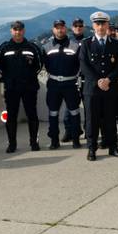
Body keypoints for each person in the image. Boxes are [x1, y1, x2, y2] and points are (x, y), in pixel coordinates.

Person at [79, 11, 118, 161]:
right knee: (92, 120)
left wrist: (108, 80)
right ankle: (92, 149)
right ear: (93, 26)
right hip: (92, 89)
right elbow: (84, 66)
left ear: (107, 25)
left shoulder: (115, 43)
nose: (100, 26)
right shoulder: (86, 43)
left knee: (111, 119)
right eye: (97, 24)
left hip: (110, 88)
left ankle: (113, 147)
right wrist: (99, 80)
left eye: (103, 23)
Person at [0, 21, 43, 153]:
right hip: (11, 88)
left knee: (32, 115)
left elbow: (39, 65)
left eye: (20, 29)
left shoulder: (32, 47)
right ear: (11, 31)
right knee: (11, 116)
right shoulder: (4, 48)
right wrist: (9, 78)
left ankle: (34, 142)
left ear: (24, 31)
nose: (18, 32)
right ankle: (12, 144)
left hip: (30, 87)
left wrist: (29, 76)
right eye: (15, 30)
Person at [41, 19, 82, 149]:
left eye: (62, 27)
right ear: (53, 29)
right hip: (53, 85)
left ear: (66, 29)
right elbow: (45, 64)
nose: (60, 30)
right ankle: (54, 141)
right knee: (53, 113)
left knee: (74, 112)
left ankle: (76, 140)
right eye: (57, 27)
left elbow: (80, 64)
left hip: (71, 84)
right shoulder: (46, 47)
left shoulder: (75, 45)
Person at [61, 17, 86, 143]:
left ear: (84, 27)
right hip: (72, 80)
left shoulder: (88, 41)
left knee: (88, 109)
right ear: (72, 27)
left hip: (86, 79)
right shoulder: (68, 42)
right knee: (69, 110)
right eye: (76, 25)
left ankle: (88, 132)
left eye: (80, 25)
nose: (78, 27)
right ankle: (69, 131)